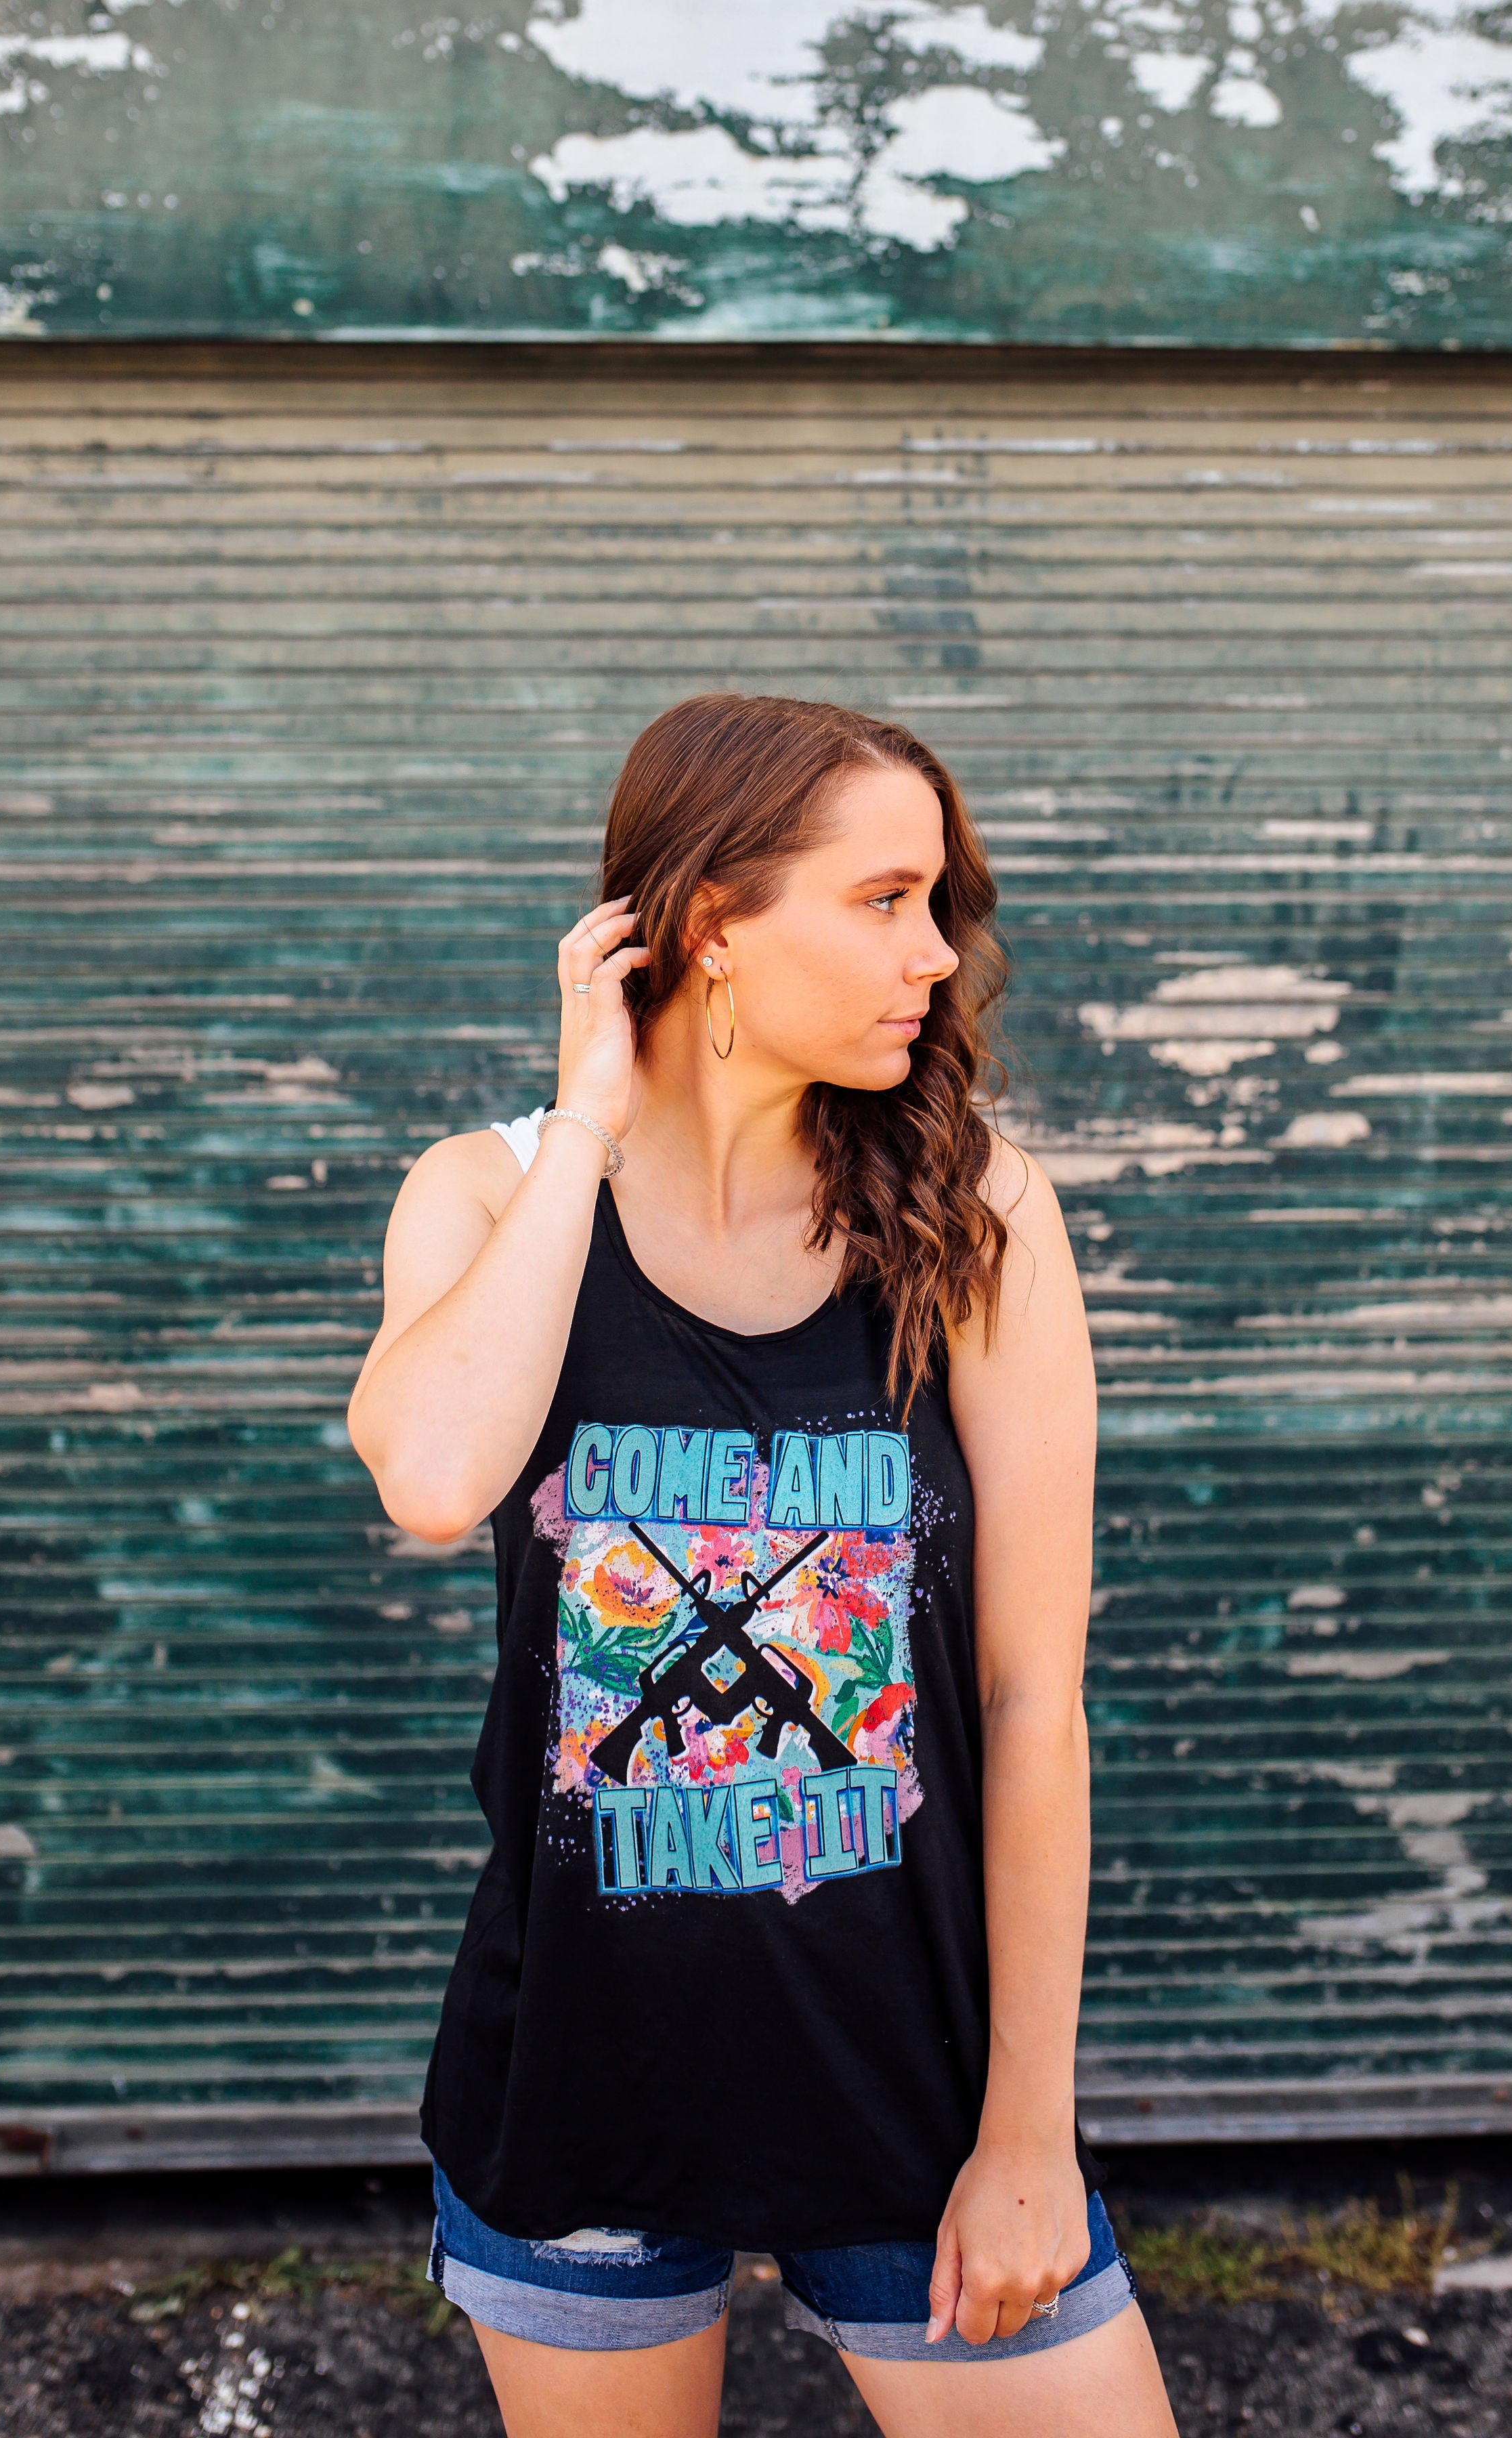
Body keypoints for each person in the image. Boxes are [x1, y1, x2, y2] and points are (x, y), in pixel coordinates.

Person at [347, 694, 1178, 2438]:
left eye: (937, 904)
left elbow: (1034, 1699)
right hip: (578, 2086)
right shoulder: (491, 1197)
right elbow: (432, 1477)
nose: (935, 955)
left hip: (916, 2086)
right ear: (711, 922)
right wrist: (587, 1124)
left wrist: (1030, 2130)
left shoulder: (975, 1214)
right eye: (882, 901)